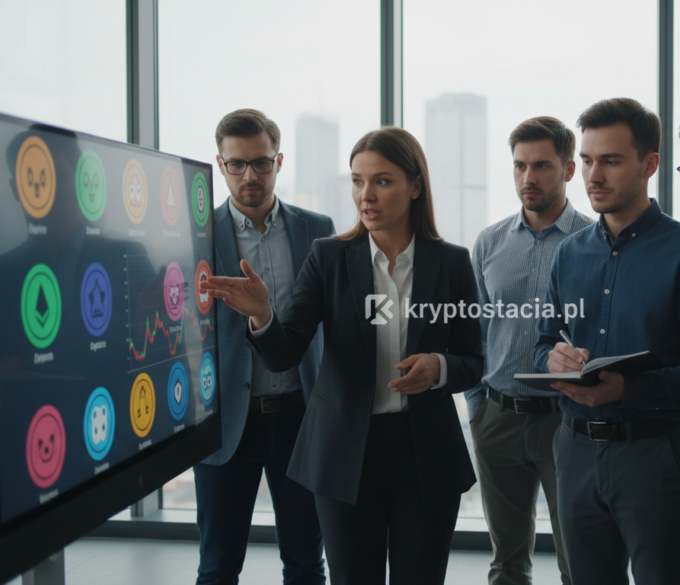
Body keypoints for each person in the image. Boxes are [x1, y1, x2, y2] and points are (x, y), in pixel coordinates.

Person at [204, 126, 482, 585]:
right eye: (357, 181)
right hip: (345, 452)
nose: (365, 195)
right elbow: (285, 352)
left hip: (425, 454)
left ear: (415, 186)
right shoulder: (328, 257)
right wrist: (262, 316)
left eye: (382, 181)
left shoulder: (451, 262)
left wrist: (441, 368)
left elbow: (473, 360)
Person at [533, 98, 680, 584]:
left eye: (610, 161)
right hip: (574, 450)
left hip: (651, 455)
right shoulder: (568, 255)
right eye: (586, 161)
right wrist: (552, 360)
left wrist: (628, 390)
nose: (593, 175)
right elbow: (541, 343)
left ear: (649, 165)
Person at [194, 109, 332, 585]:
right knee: (217, 567)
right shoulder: (196, 236)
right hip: (226, 421)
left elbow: (334, 323)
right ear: (220, 164)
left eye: (261, 162)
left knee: (306, 563)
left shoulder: (317, 228)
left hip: (300, 417)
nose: (249, 174)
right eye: (236, 164)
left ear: (279, 161)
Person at [466, 116, 591, 585]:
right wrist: (478, 411)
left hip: (567, 419)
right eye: (519, 166)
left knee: (577, 559)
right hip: (497, 420)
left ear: (568, 170)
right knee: (506, 564)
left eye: (541, 166)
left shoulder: (593, 244)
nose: (528, 178)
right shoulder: (490, 242)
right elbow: (475, 331)